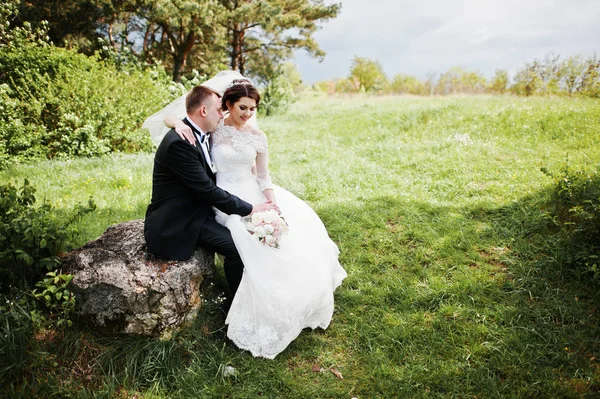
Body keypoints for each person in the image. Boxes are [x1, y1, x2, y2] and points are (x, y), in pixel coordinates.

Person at [164, 76, 347, 359]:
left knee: (279, 238)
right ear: (227, 105)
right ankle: (243, 298)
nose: (248, 114)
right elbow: (178, 118)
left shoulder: (258, 137)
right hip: (222, 197)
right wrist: (175, 123)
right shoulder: (213, 126)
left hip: (251, 194)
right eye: (242, 108)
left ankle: (285, 297)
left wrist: (271, 202)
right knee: (242, 235)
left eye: (253, 108)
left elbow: (262, 175)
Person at [144, 85, 277, 300]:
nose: (223, 113)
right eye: (219, 109)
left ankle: (259, 289)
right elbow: (207, 190)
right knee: (236, 247)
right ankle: (238, 302)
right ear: (204, 112)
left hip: (201, 208)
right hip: (180, 220)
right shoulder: (181, 143)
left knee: (250, 238)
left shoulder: (204, 132)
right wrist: (251, 208)